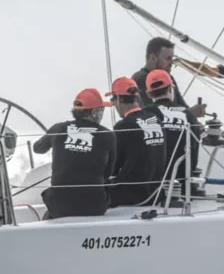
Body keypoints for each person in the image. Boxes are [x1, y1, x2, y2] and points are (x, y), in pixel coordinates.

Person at [33, 88, 116, 219]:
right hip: (94, 206)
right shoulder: (107, 135)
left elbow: (37, 148)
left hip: (59, 206)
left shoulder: (58, 128)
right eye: (101, 110)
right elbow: (108, 173)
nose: (102, 114)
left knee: (48, 215)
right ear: (94, 112)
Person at [104, 77, 166, 207]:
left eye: (113, 100)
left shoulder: (123, 125)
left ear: (120, 99)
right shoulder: (155, 119)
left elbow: (113, 166)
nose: (114, 105)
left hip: (132, 195)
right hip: (156, 193)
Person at [146, 69, 202, 193]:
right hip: (183, 187)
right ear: (172, 88)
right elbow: (194, 153)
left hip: (153, 188)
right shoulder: (189, 115)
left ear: (149, 94)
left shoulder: (144, 115)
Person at [132, 36, 207, 117]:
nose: (171, 63)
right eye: (168, 58)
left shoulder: (169, 78)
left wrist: (192, 115)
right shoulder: (140, 79)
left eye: (172, 58)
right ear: (153, 58)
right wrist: (190, 113)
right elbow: (152, 115)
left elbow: (182, 107)